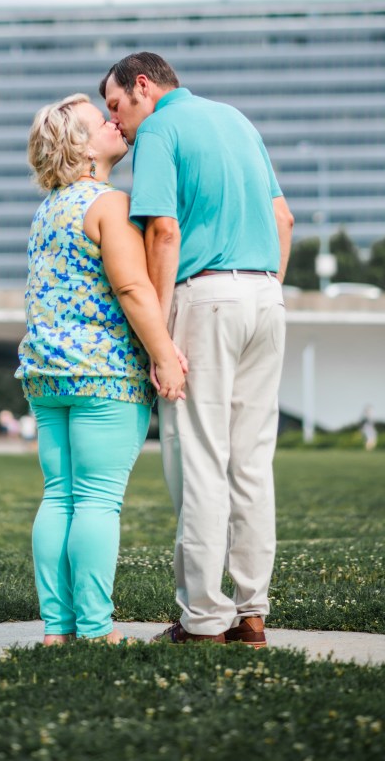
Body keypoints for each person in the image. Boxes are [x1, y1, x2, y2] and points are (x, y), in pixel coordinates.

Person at [100, 52, 294, 647]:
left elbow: (162, 230)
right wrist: (263, 293)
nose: (119, 125)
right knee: (252, 463)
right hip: (265, 295)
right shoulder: (236, 120)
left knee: (201, 463)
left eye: (115, 107)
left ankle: (204, 622)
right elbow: (283, 218)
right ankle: (252, 615)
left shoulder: (160, 128)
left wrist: (159, 335)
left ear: (142, 87)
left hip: (205, 296)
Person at [16, 93, 187, 646]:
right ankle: (93, 631)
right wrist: (164, 353)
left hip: (47, 376)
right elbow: (133, 287)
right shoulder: (108, 204)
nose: (116, 122)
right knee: (97, 500)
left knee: (59, 496)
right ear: (81, 149)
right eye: (101, 122)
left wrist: (74, 109)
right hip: (105, 376)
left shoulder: (48, 210)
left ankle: (55, 629)